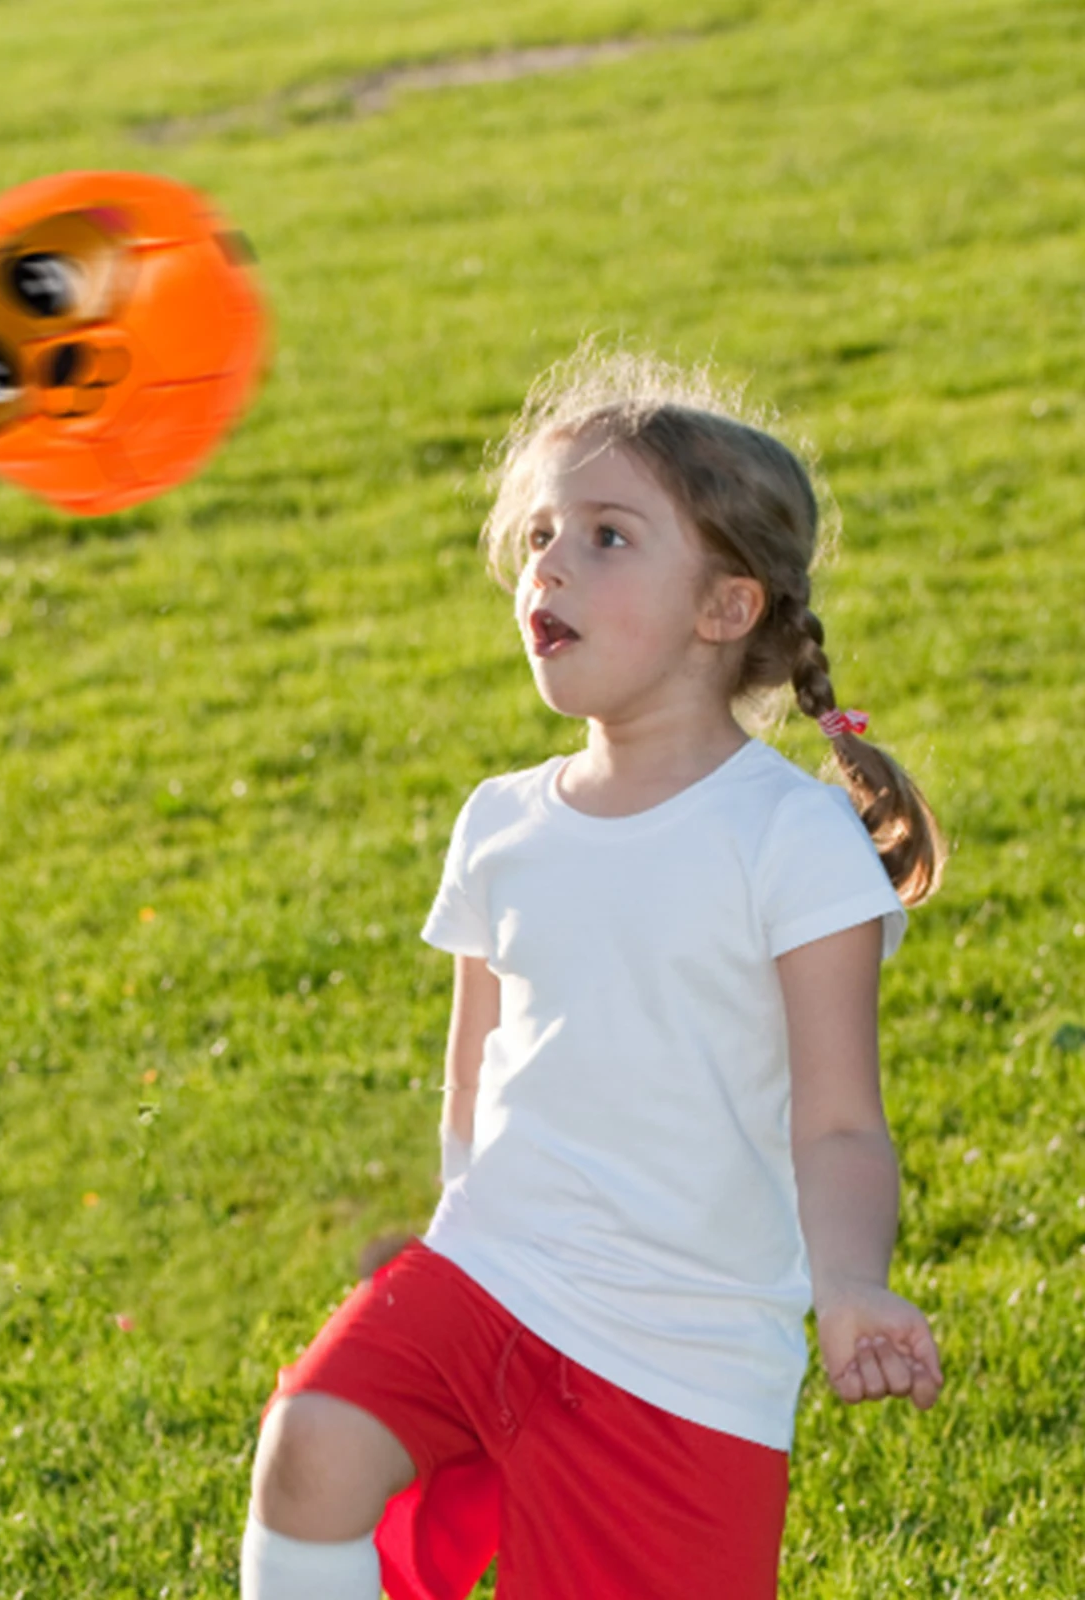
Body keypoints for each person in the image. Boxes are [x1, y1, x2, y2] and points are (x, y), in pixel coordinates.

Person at [238, 346, 948, 1600]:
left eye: (607, 537)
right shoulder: (499, 821)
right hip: (497, 1268)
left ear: (724, 608)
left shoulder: (790, 841)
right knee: (312, 1446)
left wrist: (848, 1283)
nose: (547, 566)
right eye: (541, 534)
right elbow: (476, 1069)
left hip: (680, 1343)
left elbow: (838, 1120)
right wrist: (447, 1227)